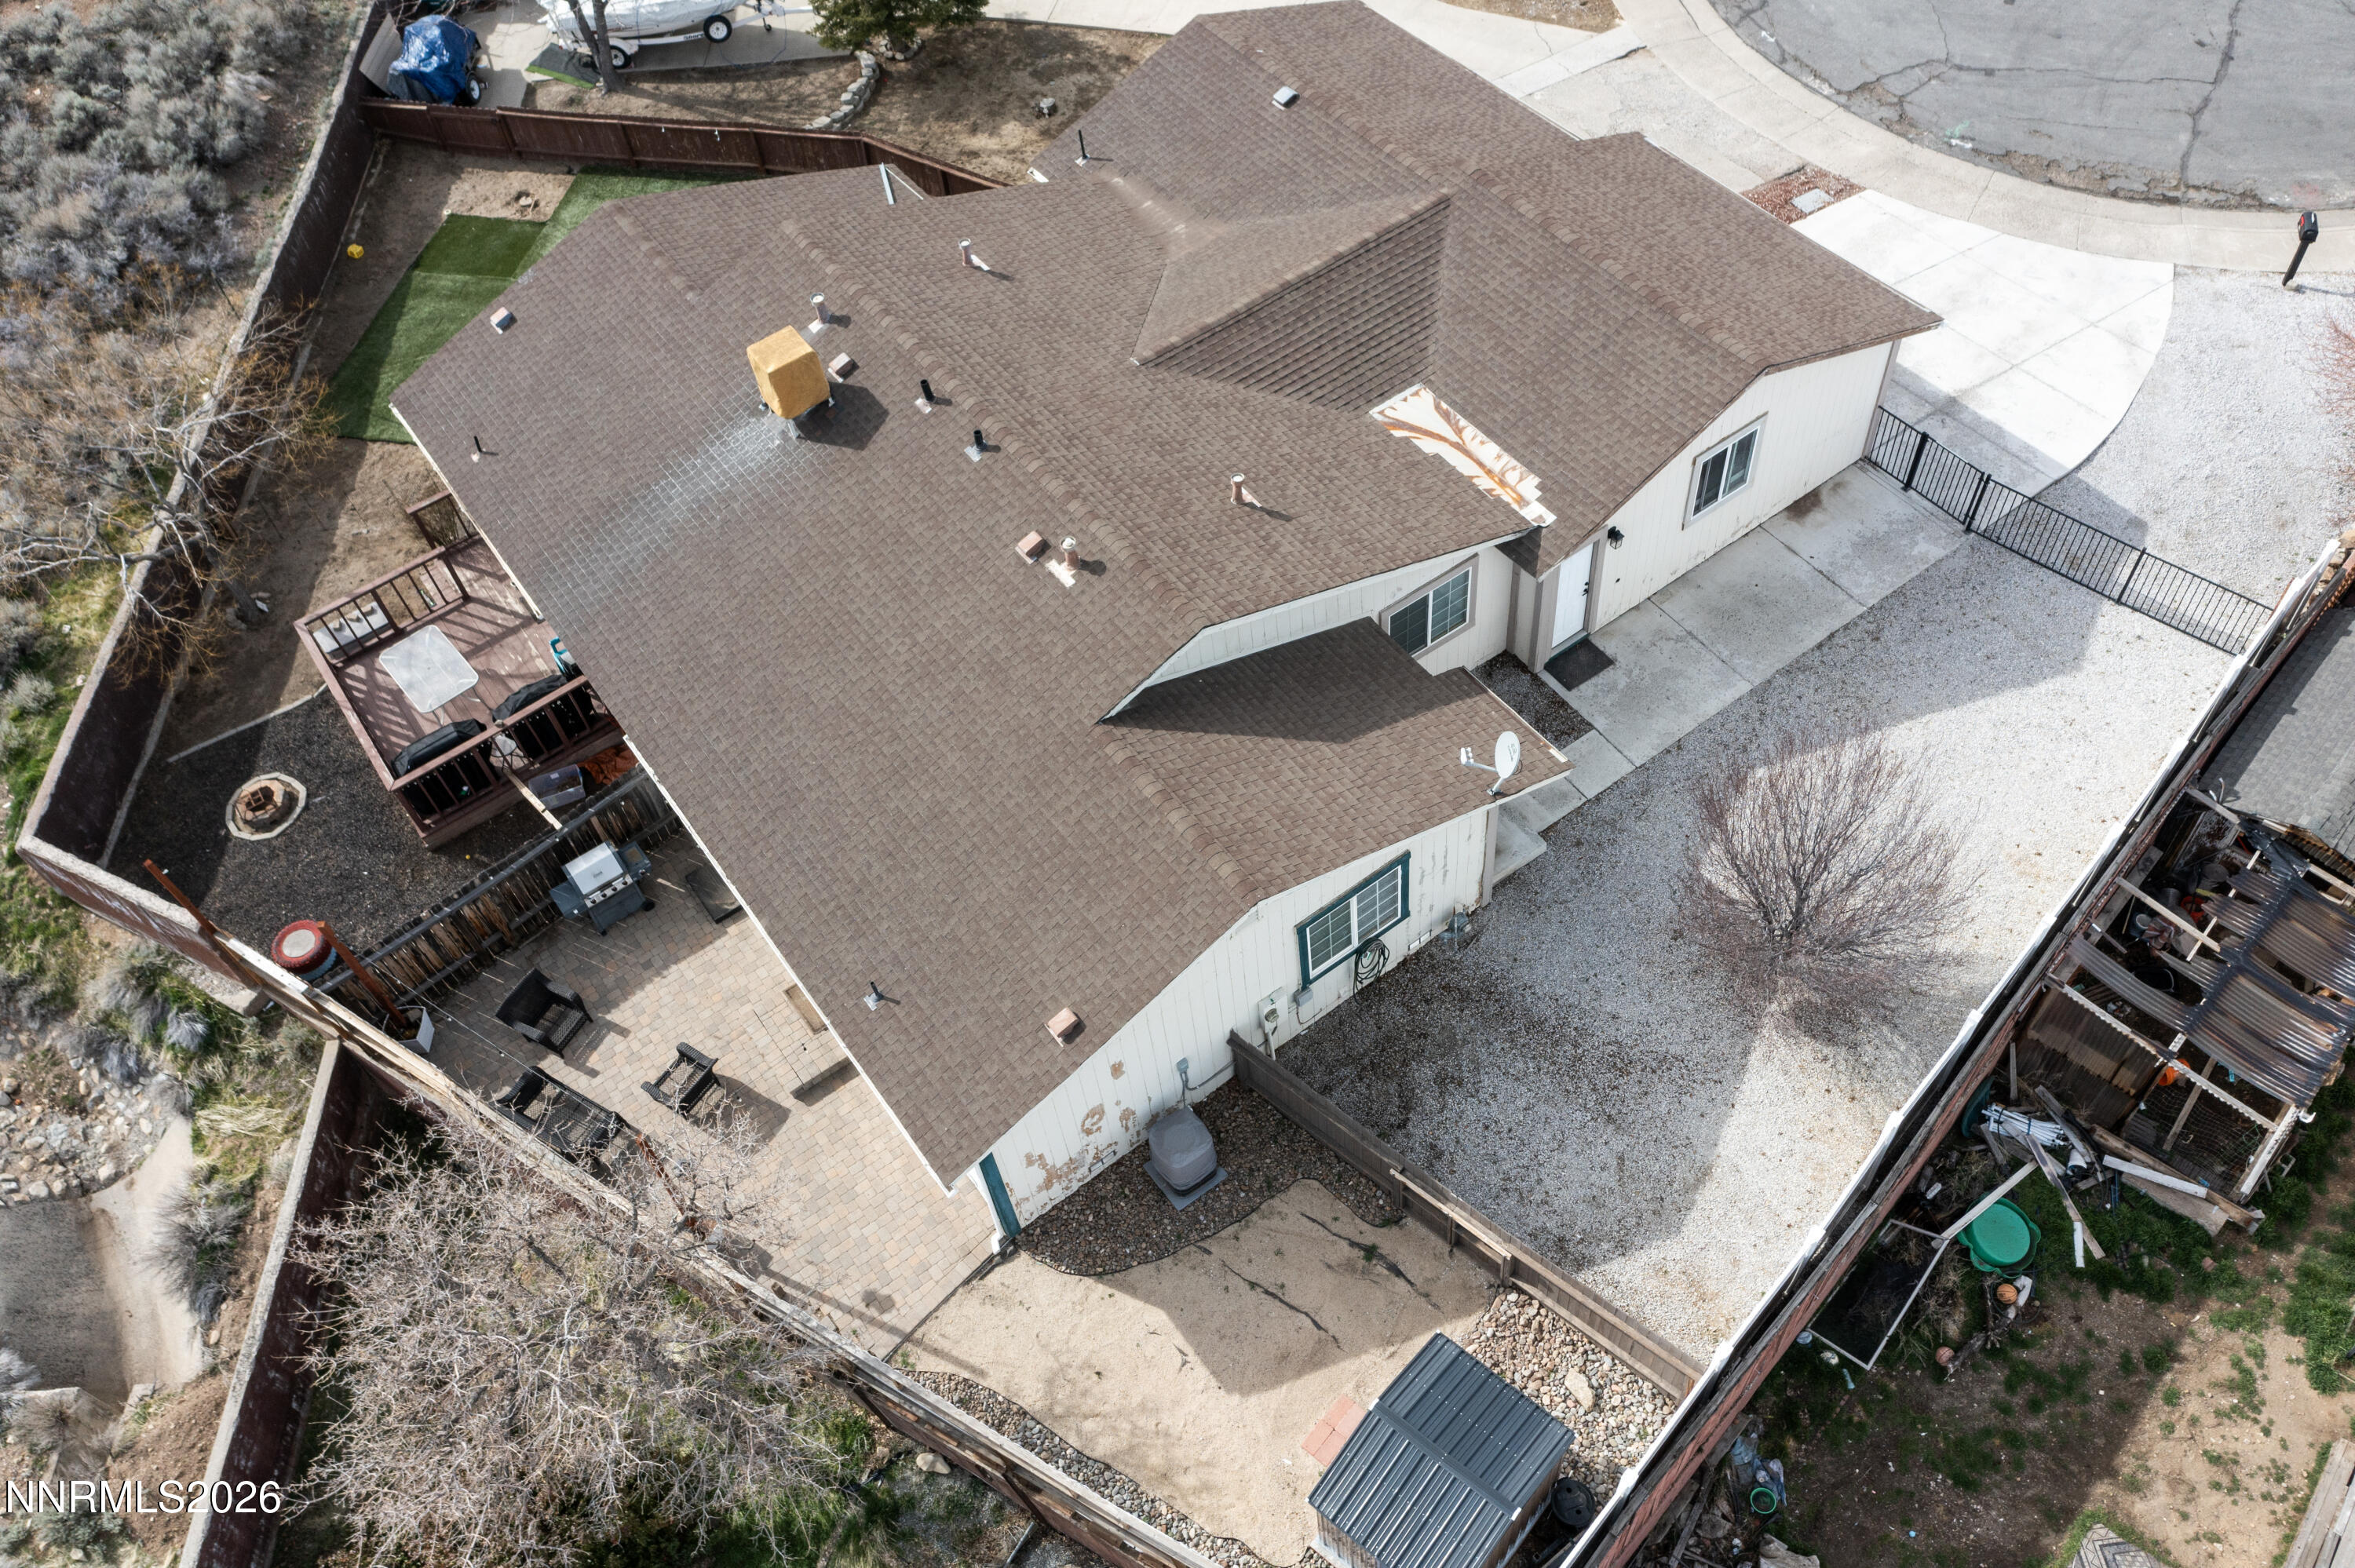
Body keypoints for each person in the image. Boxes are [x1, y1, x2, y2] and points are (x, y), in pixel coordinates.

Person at [2285, 210, 2320, 288]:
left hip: (2306, 235)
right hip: (2306, 235)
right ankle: (2287, 281)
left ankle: (2287, 281)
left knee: (2306, 238)